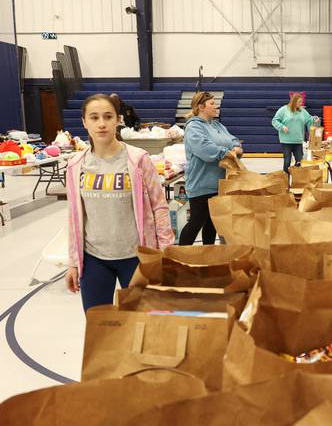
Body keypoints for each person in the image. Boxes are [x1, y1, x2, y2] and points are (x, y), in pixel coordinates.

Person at [65, 94, 174, 313]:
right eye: (94, 118)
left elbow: (159, 207)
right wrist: (73, 262)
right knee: (100, 328)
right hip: (95, 258)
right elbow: (74, 216)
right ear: (84, 122)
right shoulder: (76, 164)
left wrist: (166, 255)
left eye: (108, 116)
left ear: (118, 120)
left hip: (136, 257)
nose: (102, 124)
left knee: (143, 326)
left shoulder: (138, 160)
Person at [179, 91, 241, 246]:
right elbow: (205, 150)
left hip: (219, 184)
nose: (216, 106)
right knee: (196, 222)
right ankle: (178, 257)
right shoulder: (193, 127)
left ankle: (208, 255)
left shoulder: (217, 125)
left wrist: (236, 147)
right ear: (201, 107)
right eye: (212, 104)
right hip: (202, 184)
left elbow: (232, 139)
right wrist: (228, 153)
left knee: (213, 223)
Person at [272, 93, 318, 173]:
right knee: (287, 161)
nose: (301, 104)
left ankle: (298, 180)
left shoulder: (302, 111)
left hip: (298, 140)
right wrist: (282, 127)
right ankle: (286, 179)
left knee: (299, 161)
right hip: (286, 141)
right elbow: (274, 121)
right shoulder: (283, 110)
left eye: (301, 102)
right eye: (299, 102)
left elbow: (309, 120)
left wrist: (314, 119)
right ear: (294, 101)